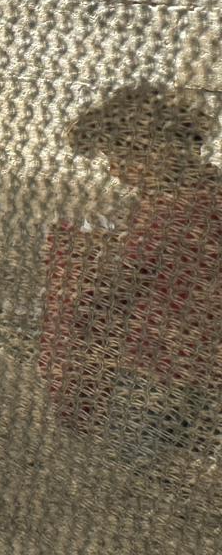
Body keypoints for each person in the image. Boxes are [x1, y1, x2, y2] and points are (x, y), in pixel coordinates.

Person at [41, 84, 222, 457]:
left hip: (165, 374)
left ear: (164, 148)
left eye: (122, 155)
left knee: (132, 477)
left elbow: (127, 280)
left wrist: (80, 261)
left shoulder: (184, 208)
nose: (114, 168)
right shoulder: (167, 202)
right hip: (175, 370)